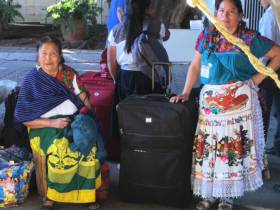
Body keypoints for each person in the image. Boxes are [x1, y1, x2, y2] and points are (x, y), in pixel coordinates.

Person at [170, 0, 280, 209]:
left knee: (230, 149)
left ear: (240, 16)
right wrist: (185, 92)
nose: (226, 16)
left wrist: (256, 80)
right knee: (210, 149)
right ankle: (209, 194)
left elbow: (278, 54)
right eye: (222, 11)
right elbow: (195, 65)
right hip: (210, 107)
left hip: (239, 107)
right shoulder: (207, 36)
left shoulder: (249, 38)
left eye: (231, 12)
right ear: (216, 13)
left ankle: (227, 196)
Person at [12, 36, 105, 210]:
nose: (48, 58)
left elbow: (85, 104)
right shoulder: (32, 80)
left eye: (53, 53)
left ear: (60, 56)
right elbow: (23, 118)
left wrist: (84, 120)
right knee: (62, 147)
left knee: (87, 144)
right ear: (38, 57)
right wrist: (51, 124)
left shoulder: (70, 75)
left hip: (74, 121)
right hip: (43, 126)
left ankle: (86, 194)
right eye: (44, 54)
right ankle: (51, 197)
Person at [107, 0, 170, 137]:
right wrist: (152, 17)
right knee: (150, 115)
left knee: (127, 115)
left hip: (125, 77)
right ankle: (148, 145)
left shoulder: (116, 30)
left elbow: (110, 61)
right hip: (151, 76)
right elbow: (166, 36)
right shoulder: (156, 26)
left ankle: (128, 149)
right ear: (147, 8)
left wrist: (116, 80)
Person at [258, 0, 280, 156]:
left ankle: (261, 150)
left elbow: (266, 46)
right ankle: (277, 146)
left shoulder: (270, 14)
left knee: (264, 107)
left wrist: (258, 70)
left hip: (271, 67)